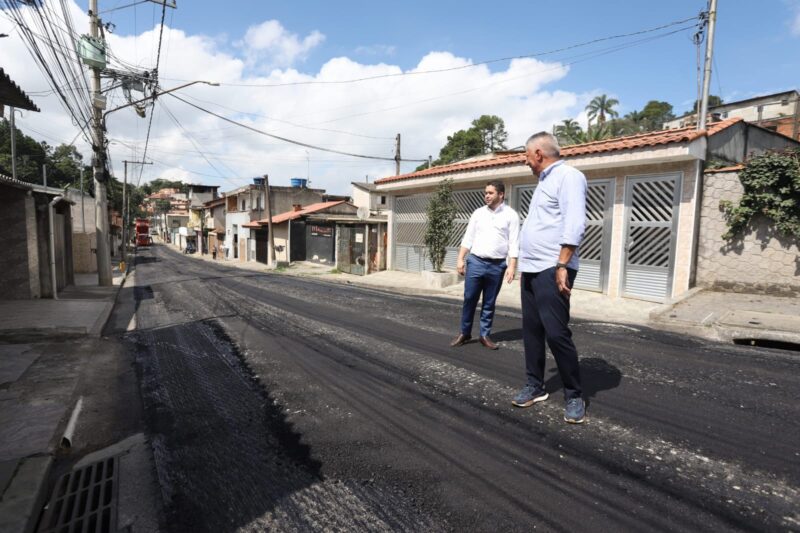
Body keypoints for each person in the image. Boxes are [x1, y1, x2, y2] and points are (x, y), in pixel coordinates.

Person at [513, 132, 588, 424]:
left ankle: (574, 394)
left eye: (527, 157)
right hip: (532, 268)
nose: (526, 162)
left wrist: (562, 264)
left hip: (552, 267)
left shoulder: (568, 176)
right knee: (531, 331)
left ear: (539, 153)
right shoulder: (544, 181)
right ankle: (535, 385)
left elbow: (575, 221)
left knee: (556, 333)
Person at [450, 180, 519, 350]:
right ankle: (465, 333)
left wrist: (512, 266)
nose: (486, 196)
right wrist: (460, 258)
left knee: (489, 302)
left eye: (490, 193)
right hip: (476, 262)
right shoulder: (478, 213)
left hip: (497, 266)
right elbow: (468, 238)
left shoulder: (511, 215)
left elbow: (514, 243)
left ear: (501, 195)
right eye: (485, 193)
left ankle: (484, 335)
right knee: (469, 299)